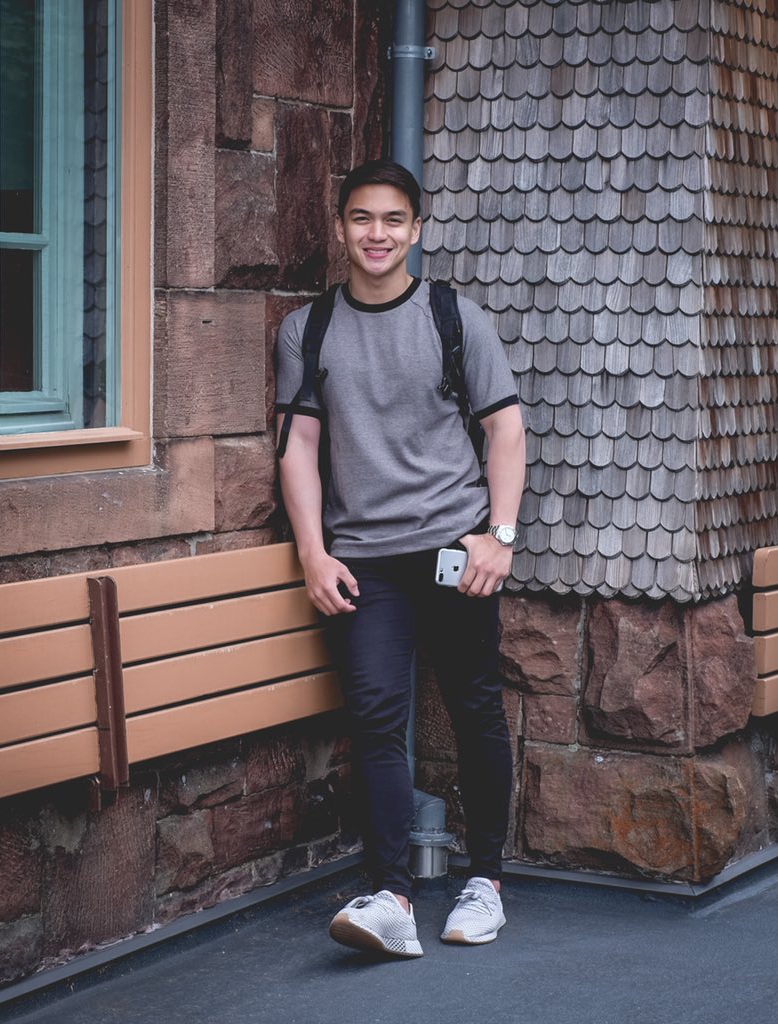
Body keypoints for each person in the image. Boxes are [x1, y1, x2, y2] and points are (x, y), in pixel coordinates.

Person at [275, 159, 525, 958]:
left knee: (475, 709)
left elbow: (505, 429)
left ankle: (485, 883)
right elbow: (298, 446)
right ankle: (391, 898)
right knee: (377, 721)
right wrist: (313, 553)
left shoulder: (454, 317)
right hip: (364, 562)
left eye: (392, 219)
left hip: (456, 549)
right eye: (361, 218)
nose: (376, 234)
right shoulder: (308, 329)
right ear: (339, 227)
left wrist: (499, 536)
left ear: (416, 229)